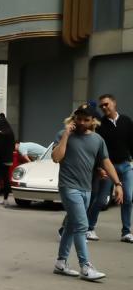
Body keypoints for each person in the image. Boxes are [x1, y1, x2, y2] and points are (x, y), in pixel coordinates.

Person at [52, 106, 123, 280]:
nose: (82, 123)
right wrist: (67, 135)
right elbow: (56, 157)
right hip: (68, 187)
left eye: (86, 119)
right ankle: (85, 267)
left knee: (70, 225)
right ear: (74, 118)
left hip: (87, 188)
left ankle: (61, 263)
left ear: (93, 121)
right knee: (82, 226)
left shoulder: (98, 140)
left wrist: (118, 183)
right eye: (79, 119)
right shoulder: (63, 134)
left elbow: (106, 162)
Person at [91, 94, 133, 243]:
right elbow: (96, 150)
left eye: (106, 104)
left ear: (114, 103)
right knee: (101, 200)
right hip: (108, 167)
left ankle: (126, 232)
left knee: (128, 198)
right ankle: (90, 228)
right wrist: (99, 167)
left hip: (125, 165)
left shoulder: (126, 121)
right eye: (101, 105)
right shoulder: (100, 125)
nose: (104, 107)